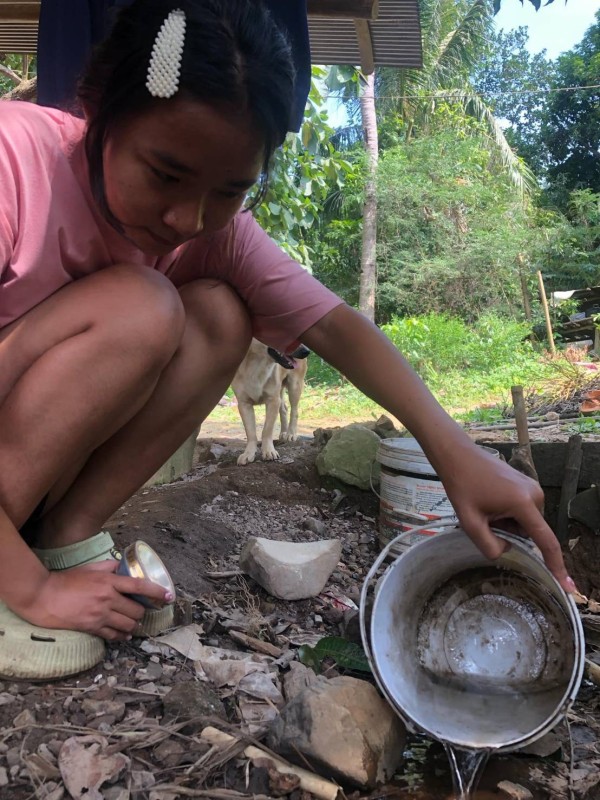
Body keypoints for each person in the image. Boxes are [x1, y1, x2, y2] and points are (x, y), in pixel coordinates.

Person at [0, 0, 574, 678]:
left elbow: (335, 326)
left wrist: (455, 453)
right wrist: (31, 594)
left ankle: (62, 539)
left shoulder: (213, 233)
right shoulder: (16, 162)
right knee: (143, 304)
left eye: (231, 190)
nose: (189, 217)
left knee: (219, 315)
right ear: (102, 108)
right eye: (164, 173)